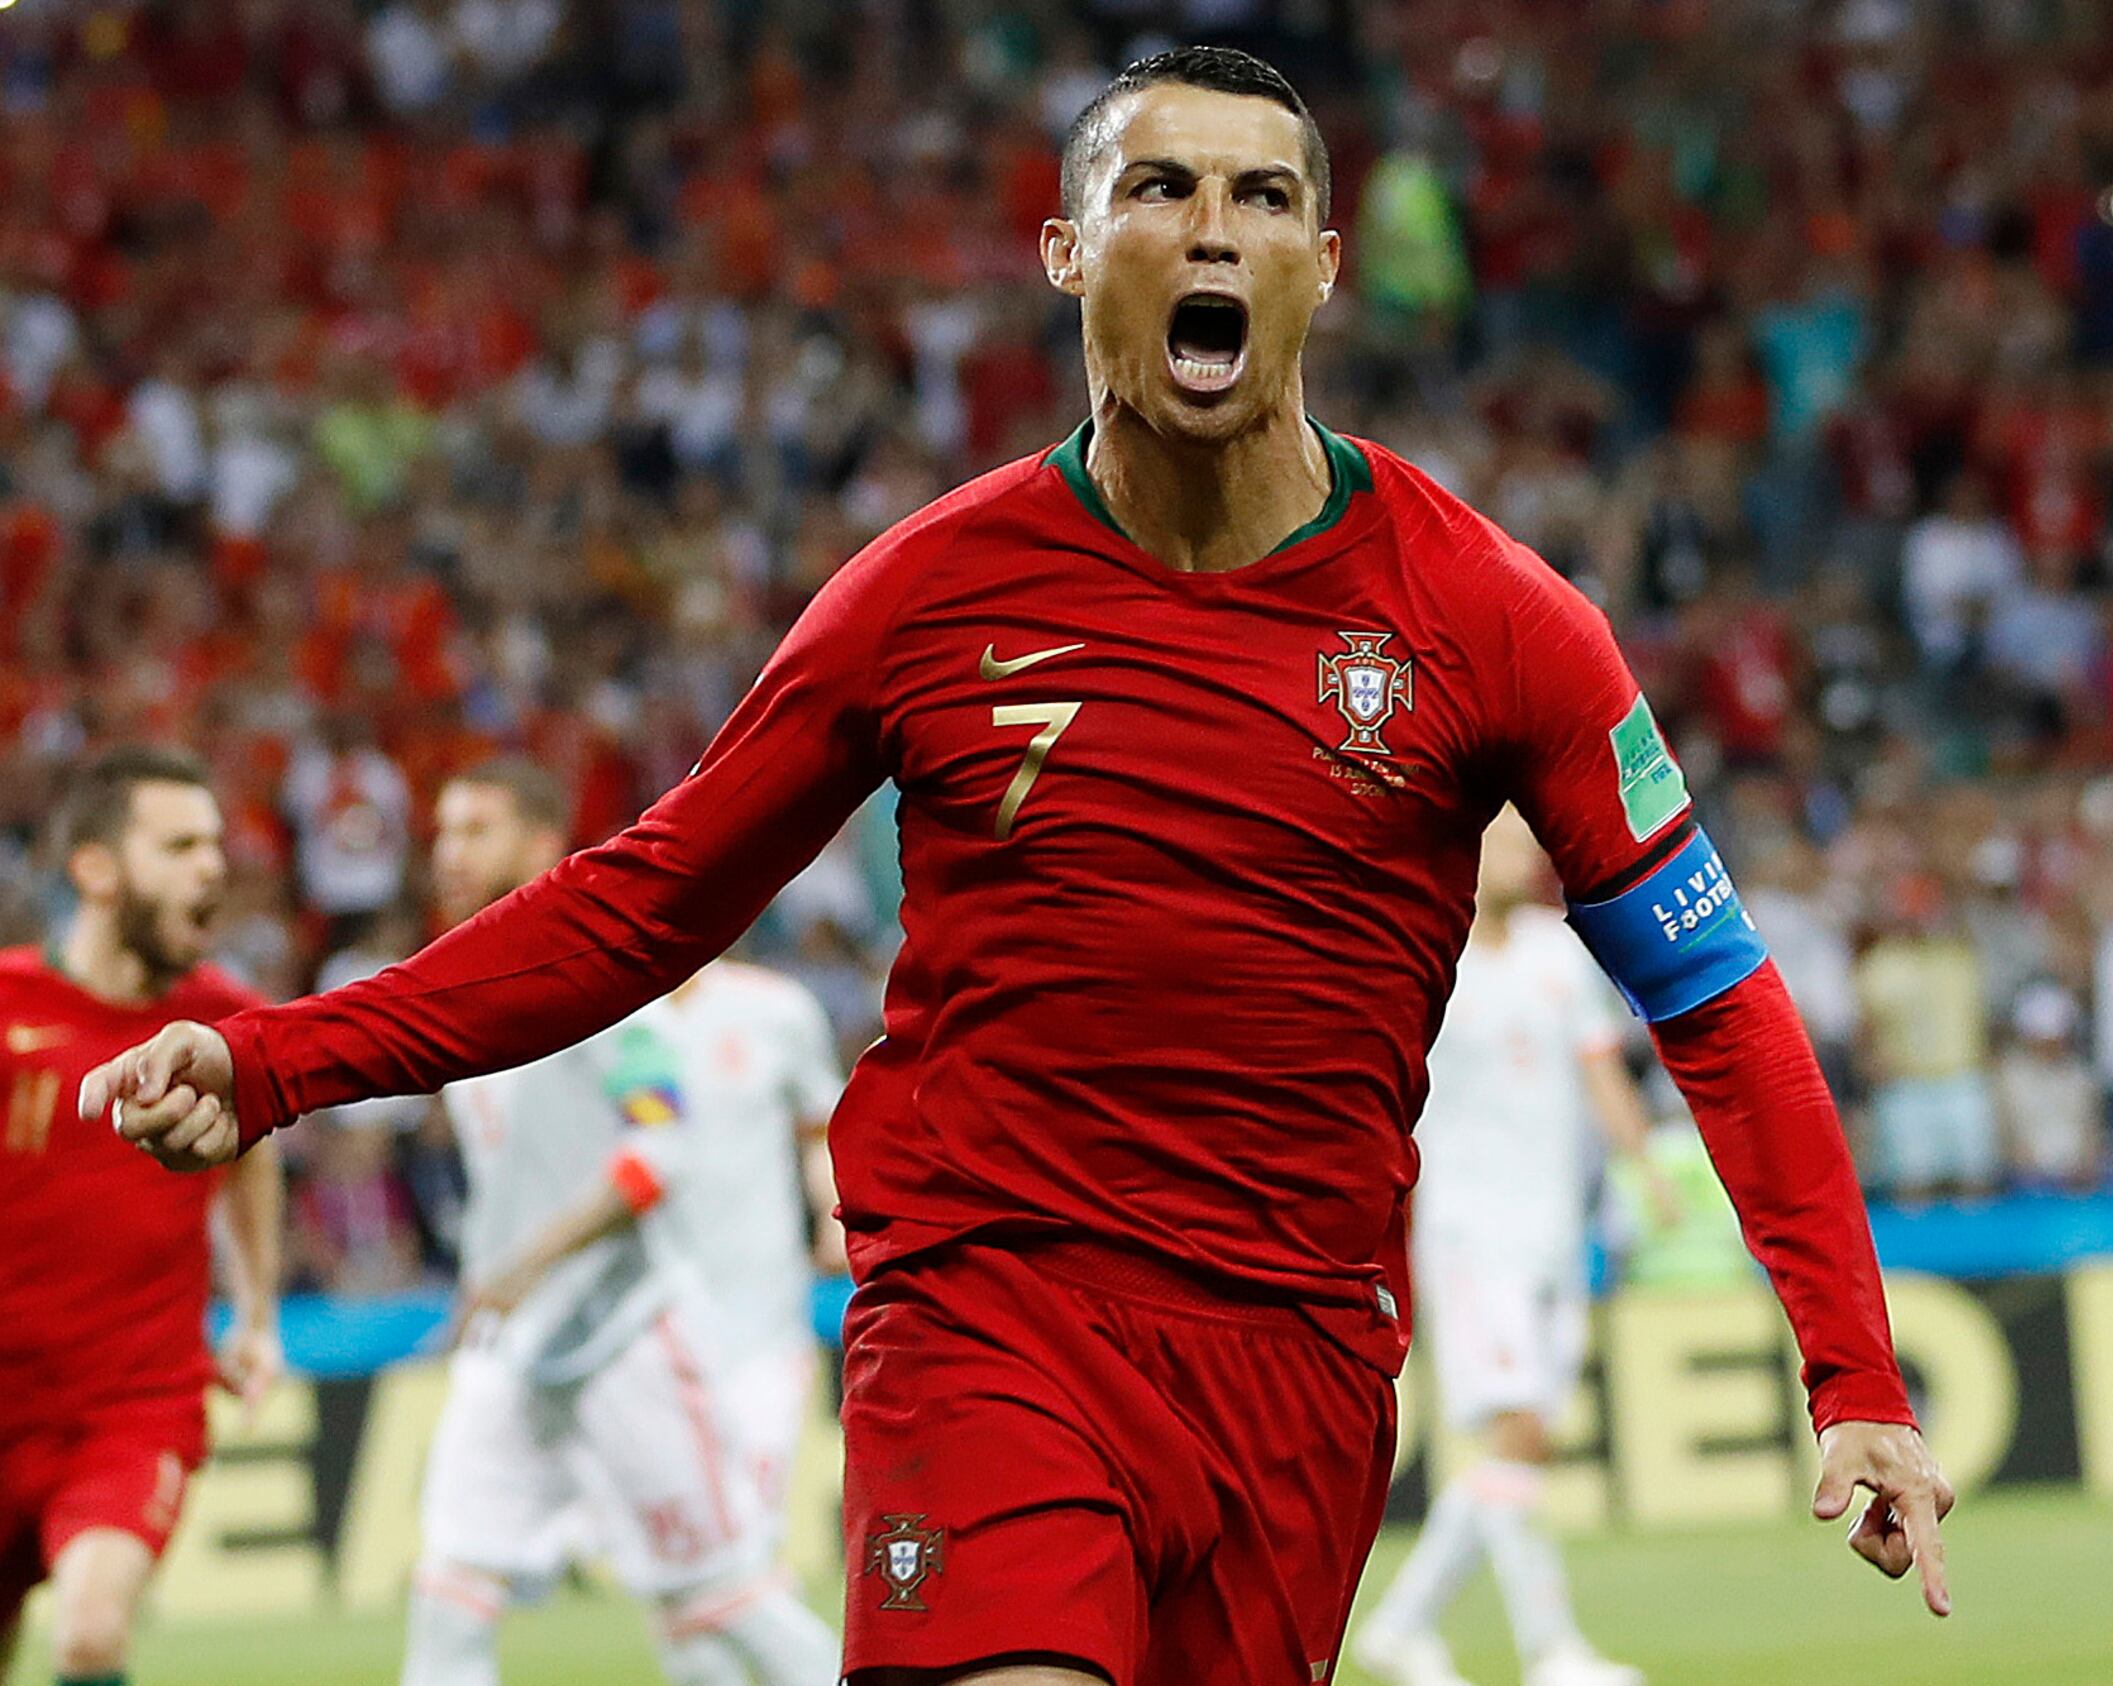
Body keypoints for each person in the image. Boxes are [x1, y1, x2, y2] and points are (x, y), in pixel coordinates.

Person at [84, 48, 1951, 1686]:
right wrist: (277, 1061)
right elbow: (642, 903)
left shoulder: (1498, 622)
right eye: (1158, 190)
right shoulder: (927, 596)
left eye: (1262, 200)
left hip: (1300, 1362)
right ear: (1069, 253)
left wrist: (1856, 1374)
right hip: (989, 1311)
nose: (1211, 232)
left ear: (1319, 264)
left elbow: (1714, 998)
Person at [401, 758, 836, 1686]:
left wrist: (520, 1265)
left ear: (538, 841)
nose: (448, 852)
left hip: (625, 1335)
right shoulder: (457, 986)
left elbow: (653, 1158)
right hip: (513, 1350)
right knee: (446, 1604)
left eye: (475, 830)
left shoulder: (610, 981)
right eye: (442, 831)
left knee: (722, 1603)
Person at [1353, 809, 1667, 1686]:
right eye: (1503, 835)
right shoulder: (1424, 956)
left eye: (1528, 837)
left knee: (1523, 1447)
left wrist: (1650, 1170)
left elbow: (1600, 1069)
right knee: (1518, 1430)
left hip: (1555, 1236)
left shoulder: (1556, 953)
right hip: (1468, 1233)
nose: (1524, 852)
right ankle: (1553, 1652)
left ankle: (1403, 1625)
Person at [0, 747, 282, 1686]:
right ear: (96, 869)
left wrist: (258, 1313)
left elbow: (252, 1154)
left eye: (214, 845)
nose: (212, 866)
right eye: (179, 845)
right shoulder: (8, 1009)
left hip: (133, 1402)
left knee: (89, 1634)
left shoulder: (222, 1022)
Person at [650, 955, 848, 1532]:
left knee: (751, 1522)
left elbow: (820, 1130)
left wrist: (833, 1217)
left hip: (762, 1307)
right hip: (656, 1319)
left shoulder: (776, 1010)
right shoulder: (607, 1024)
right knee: (697, 1545)